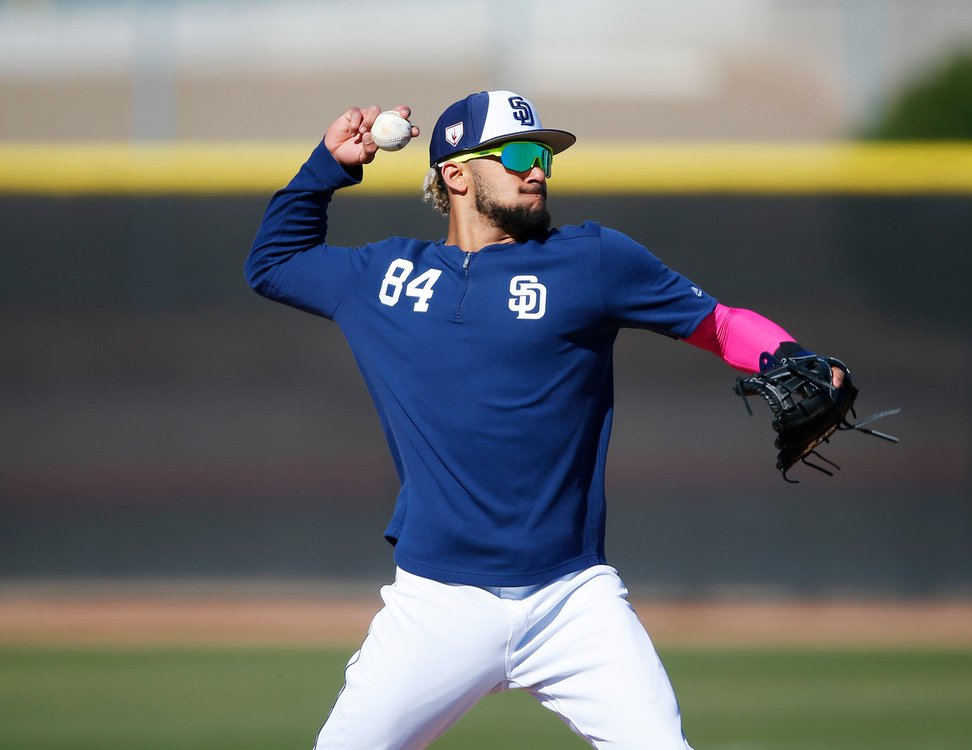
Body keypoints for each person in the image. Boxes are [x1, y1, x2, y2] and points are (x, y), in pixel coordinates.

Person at [246, 90, 841, 749]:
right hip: (436, 605)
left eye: (546, 156)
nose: (539, 169)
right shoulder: (386, 276)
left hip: (571, 601)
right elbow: (273, 263)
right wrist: (327, 167)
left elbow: (720, 325)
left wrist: (791, 355)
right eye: (520, 154)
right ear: (456, 173)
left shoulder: (592, 261)